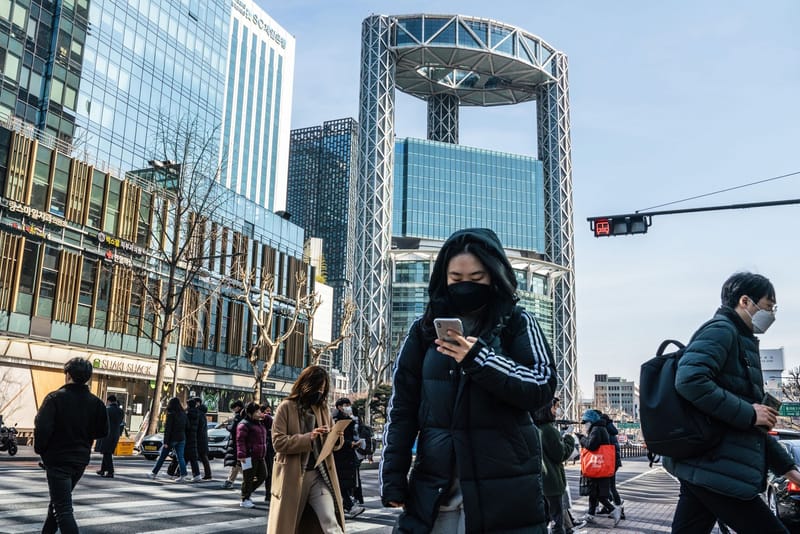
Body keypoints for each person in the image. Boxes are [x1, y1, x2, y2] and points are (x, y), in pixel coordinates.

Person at [380, 228, 557, 533]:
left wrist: (480, 359)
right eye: (456, 279)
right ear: (443, 278)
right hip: (436, 484)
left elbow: (541, 385)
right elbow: (402, 410)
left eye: (476, 279)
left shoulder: (517, 321)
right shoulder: (423, 331)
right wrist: (393, 476)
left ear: (494, 275)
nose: (466, 286)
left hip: (506, 486)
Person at [665, 272, 800, 533]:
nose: (771, 314)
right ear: (745, 301)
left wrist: (787, 469)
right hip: (719, 468)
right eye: (769, 306)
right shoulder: (722, 330)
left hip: (710, 465)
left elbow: (750, 427)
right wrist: (750, 412)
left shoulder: (740, 339)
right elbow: (689, 380)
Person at [268, 365, 346, 534]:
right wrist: (308, 438)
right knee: (288, 526)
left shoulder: (323, 408)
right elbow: (278, 442)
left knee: (330, 522)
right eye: (317, 387)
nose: (320, 391)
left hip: (319, 475)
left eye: (323, 388)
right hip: (292, 476)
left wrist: (336, 436)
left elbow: (334, 444)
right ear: (306, 384)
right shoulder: (286, 407)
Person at [34, 357, 109, 534]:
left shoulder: (54, 398)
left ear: (68, 375)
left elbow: (42, 428)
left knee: (62, 509)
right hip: (80, 460)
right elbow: (103, 431)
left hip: (57, 459)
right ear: (88, 378)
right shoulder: (97, 403)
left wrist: (41, 450)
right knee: (58, 503)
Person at [534, 397, 576, 534]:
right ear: (547, 409)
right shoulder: (549, 430)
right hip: (552, 482)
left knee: (543, 518)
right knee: (557, 521)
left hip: (539, 482)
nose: (556, 411)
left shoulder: (534, 429)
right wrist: (569, 438)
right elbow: (561, 454)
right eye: (555, 407)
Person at [576, 409, 622, 527]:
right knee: (594, 492)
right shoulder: (601, 428)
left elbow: (591, 445)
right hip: (600, 466)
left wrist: (581, 438)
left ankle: (613, 510)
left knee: (598, 494)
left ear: (591, 421)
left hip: (597, 467)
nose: (585, 425)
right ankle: (591, 515)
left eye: (586, 423)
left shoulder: (597, 430)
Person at [332, 397, 364, 519]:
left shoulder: (348, 419)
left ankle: (347, 505)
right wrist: (350, 444)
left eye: (349, 405)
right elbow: (335, 437)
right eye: (345, 405)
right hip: (340, 455)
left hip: (347, 455)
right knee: (341, 483)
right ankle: (349, 506)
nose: (348, 407)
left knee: (343, 483)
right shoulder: (337, 420)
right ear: (339, 406)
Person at [147, 397, 189, 481]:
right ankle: (183, 474)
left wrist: (166, 441)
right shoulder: (184, 414)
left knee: (162, 457)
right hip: (181, 438)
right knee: (180, 457)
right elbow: (188, 426)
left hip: (171, 439)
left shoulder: (171, 414)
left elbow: (168, 429)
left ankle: (154, 473)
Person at [237, 401, 268, 508]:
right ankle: (245, 498)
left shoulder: (259, 422)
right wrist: (241, 455)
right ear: (250, 413)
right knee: (248, 478)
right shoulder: (244, 424)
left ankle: (246, 493)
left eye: (260, 410)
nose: (260, 412)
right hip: (249, 456)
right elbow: (240, 441)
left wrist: (265, 417)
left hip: (260, 455)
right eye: (257, 411)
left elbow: (271, 423)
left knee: (263, 475)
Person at [598, 412, 624, 520]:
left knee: (611, 487)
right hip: (614, 461)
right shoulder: (610, 428)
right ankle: (608, 507)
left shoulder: (605, 430)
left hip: (610, 462)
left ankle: (619, 510)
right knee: (608, 486)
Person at [97, 394, 125, 478]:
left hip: (107, 434)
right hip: (116, 434)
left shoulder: (107, 410)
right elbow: (120, 422)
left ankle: (110, 471)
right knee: (107, 452)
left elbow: (102, 421)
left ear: (109, 401)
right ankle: (102, 470)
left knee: (107, 452)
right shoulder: (121, 411)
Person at [222, 399, 245, 489]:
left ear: (238, 407)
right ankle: (229, 481)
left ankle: (249, 480)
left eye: (233, 408)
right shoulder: (244, 416)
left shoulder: (238, 417)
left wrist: (227, 426)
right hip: (240, 443)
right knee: (238, 464)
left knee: (238, 463)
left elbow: (233, 428)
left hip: (236, 443)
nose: (233, 410)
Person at [260, 403, 275, 500]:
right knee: (268, 474)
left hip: (266, 449)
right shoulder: (266, 419)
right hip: (267, 449)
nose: (268, 413)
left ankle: (268, 495)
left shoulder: (263, 420)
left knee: (268, 474)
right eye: (267, 411)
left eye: (269, 411)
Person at [197, 399, 212, 480]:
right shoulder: (204, 417)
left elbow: (199, 428)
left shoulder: (200, 416)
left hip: (200, 440)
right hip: (203, 439)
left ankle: (207, 474)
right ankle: (207, 474)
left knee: (203, 457)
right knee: (203, 457)